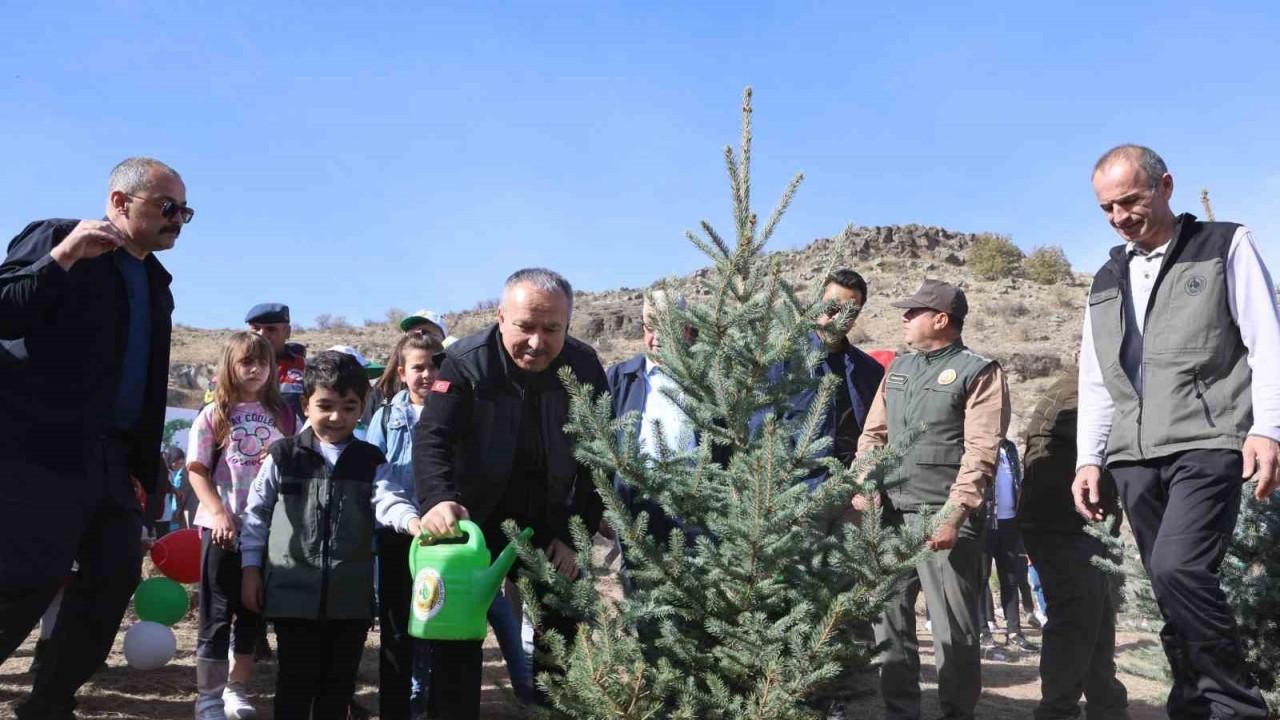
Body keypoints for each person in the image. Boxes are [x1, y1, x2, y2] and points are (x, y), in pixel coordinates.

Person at [1073, 144, 1278, 718]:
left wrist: (1269, 428)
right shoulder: (1106, 277)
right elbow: (1096, 376)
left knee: (1178, 567)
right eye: (1107, 208)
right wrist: (1089, 458)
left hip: (1209, 442)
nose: (1119, 217)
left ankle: (1237, 706)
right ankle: (1190, 704)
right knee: (1169, 589)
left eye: (1130, 200)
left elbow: (1268, 343)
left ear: (1165, 186)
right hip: (1133, 455)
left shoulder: (1224, 244)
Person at [0, 157, 186, 718]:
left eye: (185, 211)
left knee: (113, 578)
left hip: (111, 460)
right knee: (27, 581)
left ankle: (50, 703)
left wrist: (140, 463)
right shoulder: (57, 238)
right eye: (167, 207)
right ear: (119, 202)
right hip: (38, 451)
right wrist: (60, 260)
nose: (178, 219)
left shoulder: (156, 282)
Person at [414, 267, 607, 719]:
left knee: (559, 645)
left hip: (549, 523)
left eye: (551, 329)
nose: (537, 342)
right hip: (471, 525)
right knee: (456, 645)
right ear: (501, 316)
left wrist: (573, 533)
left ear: (568, 325)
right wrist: (438, 498)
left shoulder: (584, 367)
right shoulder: (464, 363)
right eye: (525, 327)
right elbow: (432, 438)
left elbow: (599, 456)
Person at [853, 279, 1009, 720]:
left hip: (942, 519)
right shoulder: (898, 367)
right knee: (889, 626)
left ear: (941, 320)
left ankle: (957, 713)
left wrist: (954, 513)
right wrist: (864, 480)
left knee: (953, 633)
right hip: (889, 519)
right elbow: (873, 436)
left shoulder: (978, 371)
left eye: (913, 312)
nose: (903, 318)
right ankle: (900, 712)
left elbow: (982, 450)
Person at [241, 351, 420, 720]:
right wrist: (250, 569)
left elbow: (388, 500)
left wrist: (411, 521)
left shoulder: (370, 459)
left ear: (363, 406)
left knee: (337, 690)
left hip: (350, 601)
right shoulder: (284, 456)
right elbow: (256, 515)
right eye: (325, 405)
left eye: (348, 406)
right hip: (292, 597)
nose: (337, 416)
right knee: (293, 684)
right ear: (306, 404)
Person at [186, 332, 297, 720]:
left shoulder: (284, 415)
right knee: (217, 614)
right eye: (246, 362)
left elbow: (297, 464)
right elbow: (197, 470)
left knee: (252, 611)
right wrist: (218, 513)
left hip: (265, 531)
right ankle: (209, 698)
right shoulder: (214, 414)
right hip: (221, 530)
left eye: (262, 363)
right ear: (229, 367)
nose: (255, 370)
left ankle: (236, 688)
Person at [1021, 365, 1129, 720]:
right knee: (1076, 619)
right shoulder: (1079, 394)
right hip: (1064, 526)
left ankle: (1105, 704)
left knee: (1096, 618)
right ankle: (1058, 710)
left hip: (1076, 526)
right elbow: (1114, 441)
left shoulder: (1077, 389)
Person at [606, 290, 697, 547]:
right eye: (650, 325)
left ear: (686, 328)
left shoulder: (707, 380)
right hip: (636, 511)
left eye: (666, 326)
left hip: (695, 511)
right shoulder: (619, 378)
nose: (656, 336)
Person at [978, 439, 1038, 651]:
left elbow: (1016, 481)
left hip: (1010, 522)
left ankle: (1014, 632)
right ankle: (983, 631)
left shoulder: (1010, 447)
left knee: (1011, 579)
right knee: (981, 578)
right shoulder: (980, 443)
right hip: (986, 523)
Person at [245, 302, 307, 420]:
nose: (262, 335)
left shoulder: (306, 369)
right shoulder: (233, 369)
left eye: (271, 329)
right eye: (256, 328)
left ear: (287, 332)